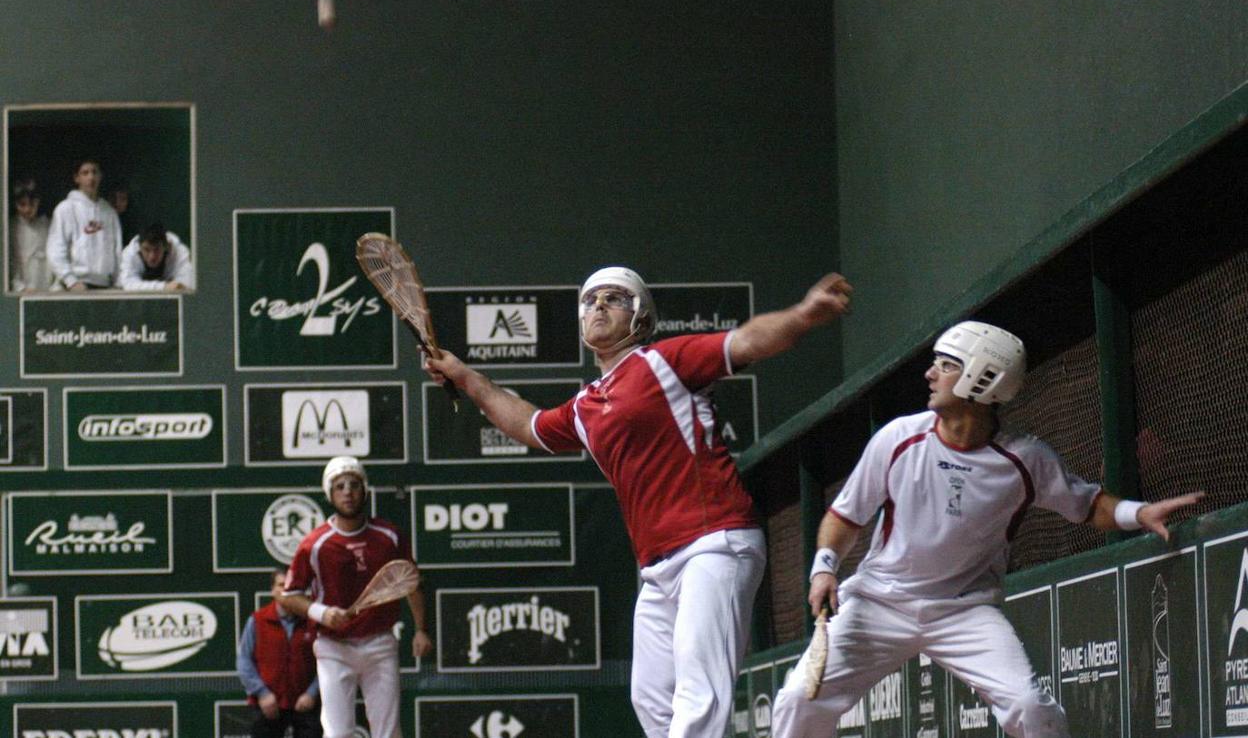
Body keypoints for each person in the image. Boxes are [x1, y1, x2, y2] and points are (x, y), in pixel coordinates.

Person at [425, 266, 854, 738]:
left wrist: (803, 315)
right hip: (659, 568)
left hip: (715, 543)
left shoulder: (663, 361)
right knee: (649, 697)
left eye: (614, 298)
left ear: (641, 319)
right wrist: (466, 378)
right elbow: (528, 424)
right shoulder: (585, 407)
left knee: (699, 693)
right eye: (589, 301)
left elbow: (747, 342)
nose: (599, 307)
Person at [770, 320, 1205, 738]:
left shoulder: (1025, 459)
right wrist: (825, 567)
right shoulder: (898, 439)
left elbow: (1088, 506)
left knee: (1030, 707)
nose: (929, 373)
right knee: (797, 701)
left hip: (964, 611)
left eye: (945, 364)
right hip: (879, 604)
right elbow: (845, 517)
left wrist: (1139, 513)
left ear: (982, 377)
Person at [279, 456, 432, 738]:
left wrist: (421, 630)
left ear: (365, 490)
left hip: (380, 643)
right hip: (333, 648)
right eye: (339, 486)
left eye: (354, 485)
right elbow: (289, 596)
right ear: (330, 494)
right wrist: (323, 613)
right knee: (337, 734)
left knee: (388, 732)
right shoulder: (315, 544)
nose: (347, 492)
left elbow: (410, 583)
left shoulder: (389, 536)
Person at [237, 568, 321, 738]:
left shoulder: (313, 622)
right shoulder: (257, 620)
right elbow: (244, 660)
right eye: (282, 585)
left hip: (306, 704)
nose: (287, 591)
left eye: (292, 586)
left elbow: (327, 661)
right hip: (267, 704)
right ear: (272, 591)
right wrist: (262, 693)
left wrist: (312, 693)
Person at [46, 159, 123, 290]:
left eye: (94, 172)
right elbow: (55, 249)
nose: (91, 177)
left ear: (100, 176)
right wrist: (70, 280)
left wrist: (117, 283)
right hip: (74, 285)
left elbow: (117, 251)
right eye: (85, 173)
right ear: (77, 178)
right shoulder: (65, 208)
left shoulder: (109, 213)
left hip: (105, 286)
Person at [118, 221, 194, 290]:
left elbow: (186, 284)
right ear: (139, 248)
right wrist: (164, 286)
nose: (152, 256)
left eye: (157, 250)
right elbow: (128, 284)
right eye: (146, 250)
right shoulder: (130, 253)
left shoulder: (179, 252)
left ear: (167, 246)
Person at [9, 177, 51, 292]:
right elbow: (12, 261)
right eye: (22, 204)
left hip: (46, 289)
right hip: (21, 290)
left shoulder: (47, 225)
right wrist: (20, 287)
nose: (27, 209)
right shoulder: (11, 227)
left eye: (32, 204)